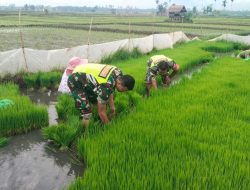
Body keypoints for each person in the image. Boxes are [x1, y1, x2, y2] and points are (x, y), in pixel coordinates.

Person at [67, 63, 135, 128]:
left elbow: (110, 89)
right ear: (120, 84)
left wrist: (112, 108)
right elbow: (101, 112)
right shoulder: (106, 87)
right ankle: (85, 131)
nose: (124, 92)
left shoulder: (118, 73)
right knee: (86, 111)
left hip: (84, 73)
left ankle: (94, 117)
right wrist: (110, 128)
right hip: (75, 80)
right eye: (125, 90)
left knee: (97, 99)